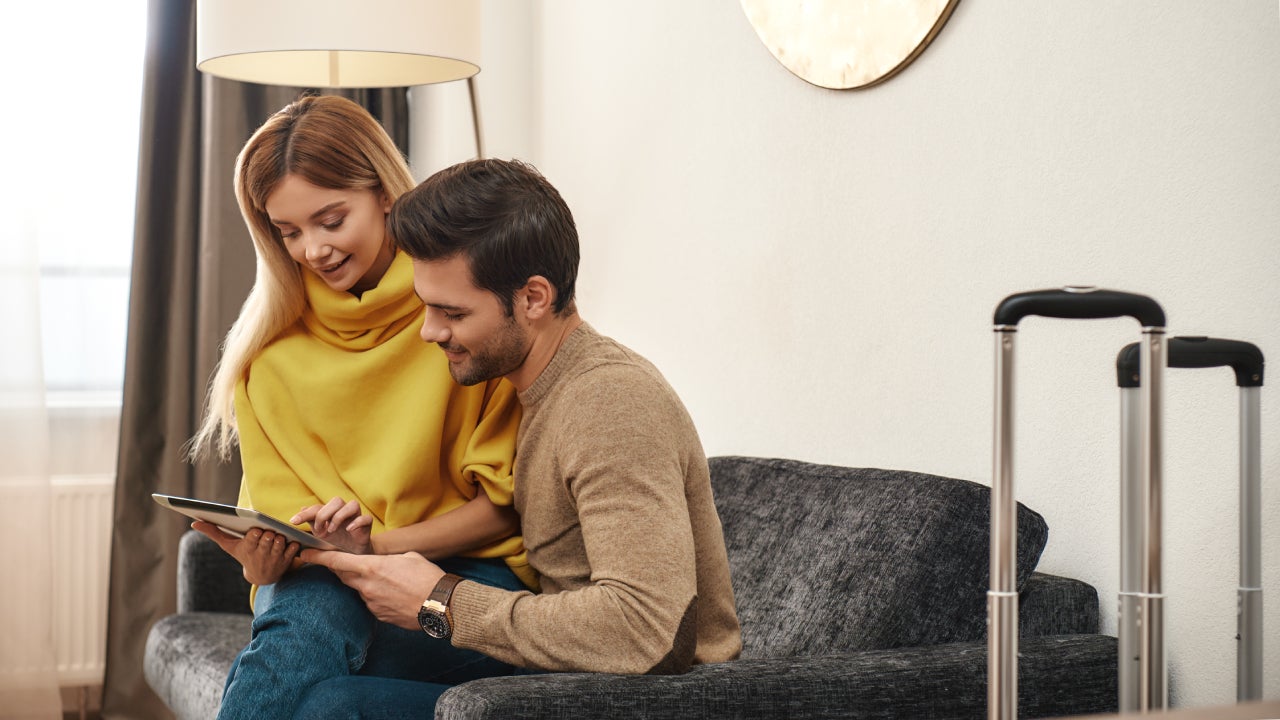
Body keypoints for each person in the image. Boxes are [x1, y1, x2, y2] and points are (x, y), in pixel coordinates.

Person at [300, 158, 743, 714]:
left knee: (337, 706)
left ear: (533, 298)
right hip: (563, 674)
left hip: (642, 700)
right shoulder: (537, 389)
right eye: (426, 306)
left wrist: (443, 601)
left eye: (452, 312)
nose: (429, 331)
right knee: (313, 648)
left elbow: (648, 627)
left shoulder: (610, 401)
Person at [185, 95, 535, 720]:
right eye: (289, 232)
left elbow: (506, 508)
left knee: (304, 660)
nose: (312, 249)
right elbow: (284, 526)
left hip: (468, 576)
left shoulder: (463, 321)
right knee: (313, 617)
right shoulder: (268, 358)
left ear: (385, 193)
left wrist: (375, 550)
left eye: (331, 220)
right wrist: (268, 561)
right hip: (321, 587)